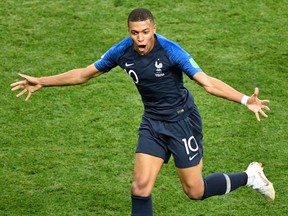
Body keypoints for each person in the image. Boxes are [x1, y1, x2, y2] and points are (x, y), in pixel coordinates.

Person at [11, 8, 275, 216]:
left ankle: (250, 177)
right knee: (140, 188)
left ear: (154, 30)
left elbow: (207, 82)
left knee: (195, 191)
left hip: (182, 122)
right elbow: (83, 74)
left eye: (145, 32)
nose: (140, 38)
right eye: (134, 33)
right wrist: (42, 81)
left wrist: (244, 100)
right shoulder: (121, 51)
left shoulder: (171, 51)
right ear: (129, 32)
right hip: (152, 123)